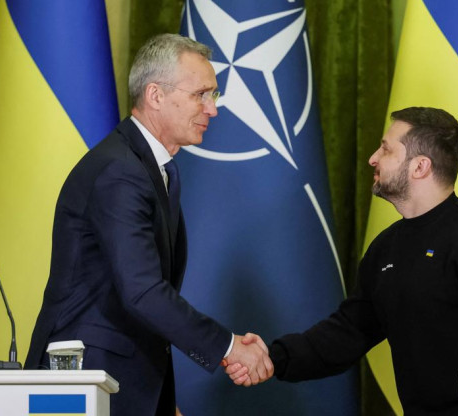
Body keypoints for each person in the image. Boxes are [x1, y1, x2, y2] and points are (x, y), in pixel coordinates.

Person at [228, 107, 458, 415]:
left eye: (385, 150)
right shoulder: (387, 247)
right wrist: (272, 356)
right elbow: (347, 333)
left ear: (420, 167)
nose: (372, 159)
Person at [25, 34, 273, 416]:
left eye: (214, 96)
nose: (213, 109)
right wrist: (228, 347)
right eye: (201, 95)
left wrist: (158, 398)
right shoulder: (120, 173)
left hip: (125, 381)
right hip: (85, 380)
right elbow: (142, 292)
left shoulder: (151, 169)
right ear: (156, 95)